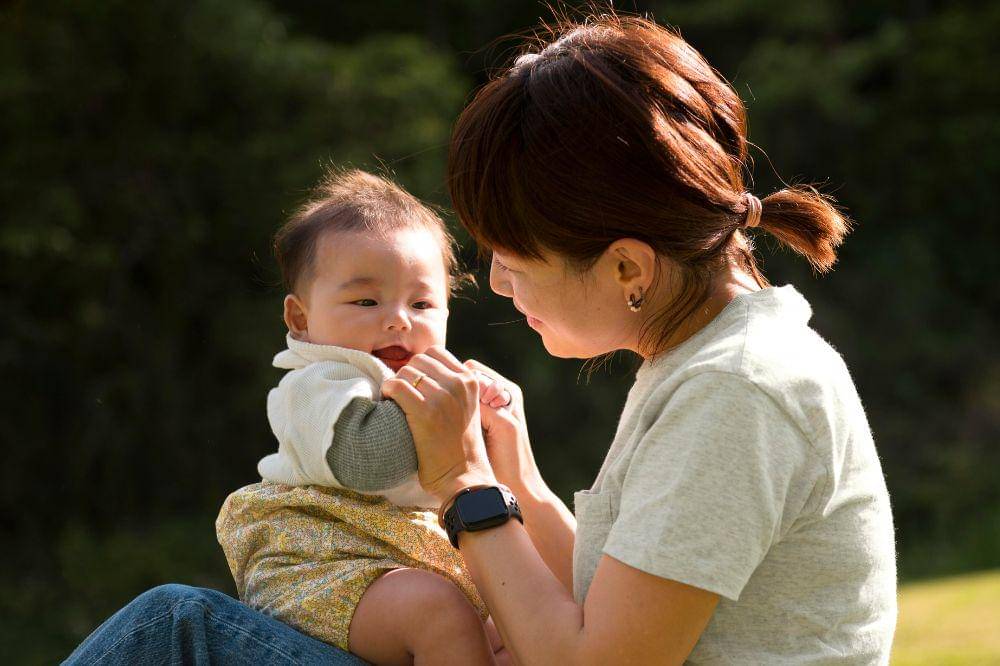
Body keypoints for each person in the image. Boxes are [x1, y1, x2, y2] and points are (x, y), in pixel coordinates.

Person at [66, 10, 897, 665]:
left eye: (514, 255)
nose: (495, 282)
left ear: (627, 269)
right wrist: (520, 482)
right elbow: (612, 607)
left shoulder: (737, 391)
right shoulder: (707, 365)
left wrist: (468, 483)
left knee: (176, 630)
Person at [214, 168, 513, 665]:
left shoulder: (424, 382)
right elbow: (366, 459)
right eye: (366, 300)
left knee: (517, 629)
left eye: (421, 303)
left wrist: (482, 416)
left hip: (407, 562)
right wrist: (452, 413)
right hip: (322, 565)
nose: (398, 318)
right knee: (439, 612)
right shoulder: (320, 380)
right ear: (300, 319)